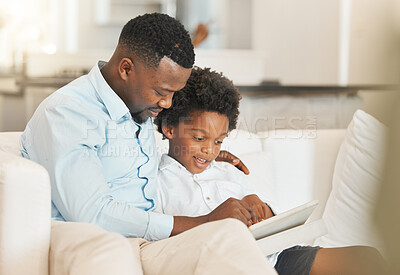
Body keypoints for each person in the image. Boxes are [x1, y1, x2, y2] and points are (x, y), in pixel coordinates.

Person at [20, 13, 276, 274]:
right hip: (91, 241)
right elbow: (93, 214)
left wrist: (204, 153)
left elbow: (128, 168)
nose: (167, 104)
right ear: (126, 69)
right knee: (115, 251)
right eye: (162, 92)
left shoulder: (138, 105)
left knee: (231, 237)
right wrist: (204, 221)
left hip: (147, 245)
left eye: (174, 93)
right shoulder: (67, 112)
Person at [153, 66, 388, 275]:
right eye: (199, 138)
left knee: (367, 258)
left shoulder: (229, 171)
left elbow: (262, 221)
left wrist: (263, 211)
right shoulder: (155, 180)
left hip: (276, 256)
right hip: (224, 264)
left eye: (218, 142)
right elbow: (158, 240)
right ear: (169, 128)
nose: (209, 150)